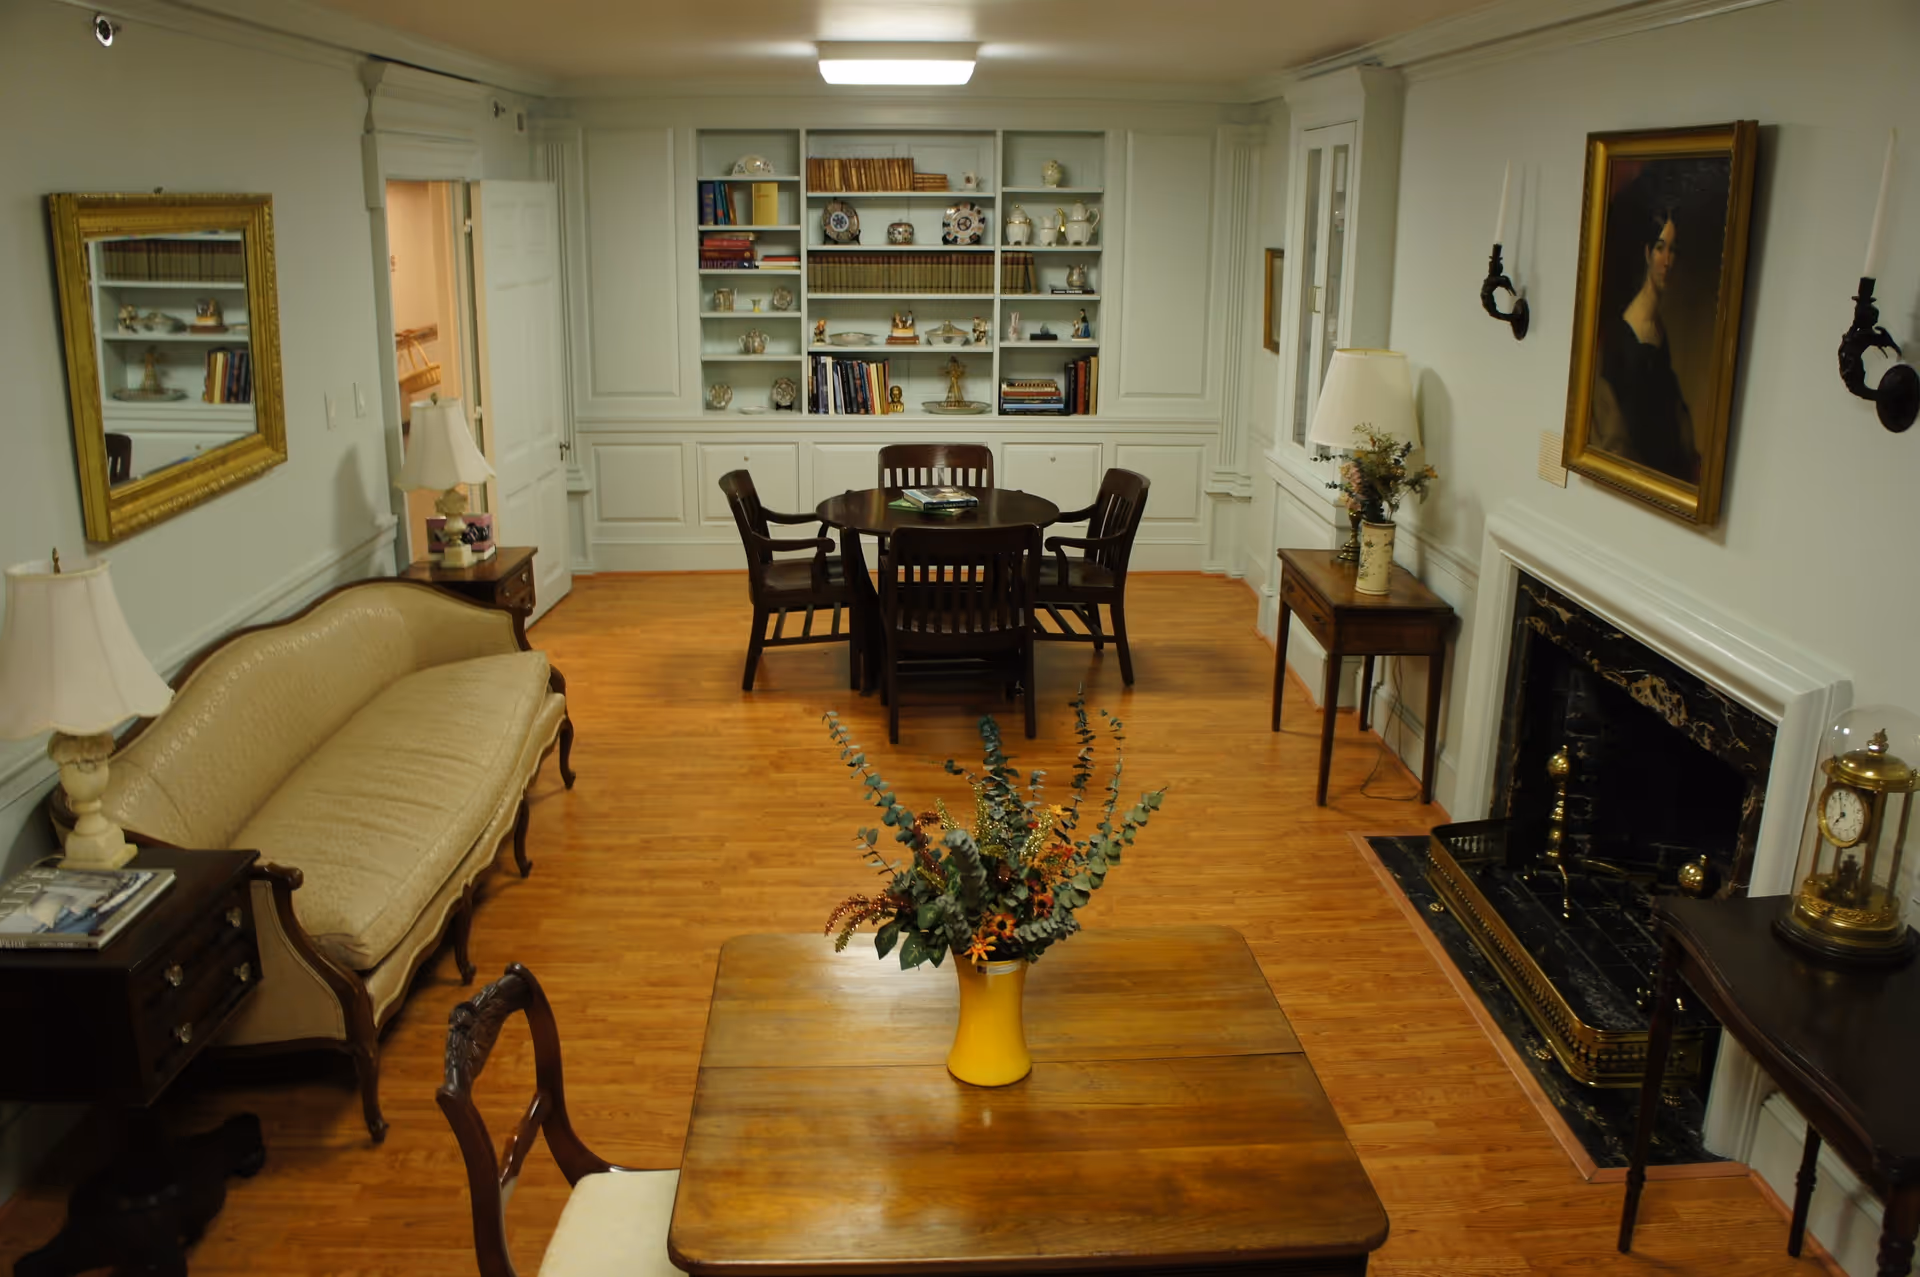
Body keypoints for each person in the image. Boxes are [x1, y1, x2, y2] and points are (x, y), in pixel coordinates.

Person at [1589, 201, 1700, 483]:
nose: (1667, 260)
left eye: (1672, 249)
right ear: (1648, 253)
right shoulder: (1623, 333)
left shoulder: (1659, 330)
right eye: (1661, 248)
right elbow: (1619, 427)